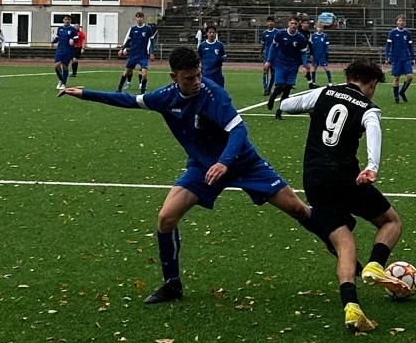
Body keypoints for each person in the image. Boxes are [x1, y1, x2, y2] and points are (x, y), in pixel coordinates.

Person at [60, 45, 318, 305]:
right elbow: (129, 101)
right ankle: (172, 285)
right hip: (203, 167)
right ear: (174, 77)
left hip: (243, 162)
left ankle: (337, 245)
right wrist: (85, 93)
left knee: (298, 209)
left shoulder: (213, 94)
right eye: (189, 78)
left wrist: (224, 162)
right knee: (166, 218)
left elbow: (239, 130)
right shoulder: (165, 97)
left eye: (198, 75)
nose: (196, 82)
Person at [276, 60, 406, 333]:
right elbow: (374, 130)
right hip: (345, 178)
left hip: (314, 180)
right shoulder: (368, 108)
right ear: (372, 84)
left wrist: (313, 110)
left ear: (349, 77)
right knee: (390, 221)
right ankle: (375, 264)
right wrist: (372, 166)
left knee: (344, 244)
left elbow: (286, 105)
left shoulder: (323, 92)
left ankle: (352, 307)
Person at [265, 15, 307, 110]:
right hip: (280, 64)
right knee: (280, 86)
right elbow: (273, 47)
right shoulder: (281, 34)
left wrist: (304, 66)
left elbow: (303, 53)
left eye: (295, 23)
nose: (293, 25)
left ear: (298, 25)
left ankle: (279, 111)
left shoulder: (300, 38)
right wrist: (269, 61)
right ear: (288, 23)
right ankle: (272, 98)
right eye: (292, 23)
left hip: (293, 66)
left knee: (287, 89)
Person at [117, 12, 157, 93]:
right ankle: (119, 89)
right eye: (138, 17)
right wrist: (122, 49)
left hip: (143, 55)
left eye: (141, 17)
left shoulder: (148, 29)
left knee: (144, 74)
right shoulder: (133, 29)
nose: (139, 19)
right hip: (133, 54)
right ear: (135, 19)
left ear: (143, 19)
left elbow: (152, 41)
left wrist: (152, 53)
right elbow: (129, 40)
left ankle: (142, 92)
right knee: (126, 72)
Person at [385, 14, 415, 103]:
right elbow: (388, 46)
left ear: (405, 23)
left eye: (403, 21)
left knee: (410, 76)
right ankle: (396, 97)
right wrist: (387, 56)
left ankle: (402, 91)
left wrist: (413, 57)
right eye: (400, 21)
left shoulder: (408, 33)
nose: (401, 22)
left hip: (406, 58)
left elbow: (410, 46)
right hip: (396, 58)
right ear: (396, 22)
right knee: (396, 78)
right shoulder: (392, 33)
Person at [52, 19, 77, 89]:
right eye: (66, 19)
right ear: (63, 20)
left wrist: (73, 40)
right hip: (60, 50)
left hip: (68, 50)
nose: (67, 21)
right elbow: (57, 37)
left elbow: (76, 39)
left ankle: (63, 83)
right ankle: (61, 79)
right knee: (57, 66)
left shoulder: (73, 29)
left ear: (70, 21)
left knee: (65, 66)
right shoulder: (60, 28)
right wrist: (52, 42)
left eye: (69, 19)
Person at [308, 20, 332, 87]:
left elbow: (326, 46)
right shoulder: (313, 36)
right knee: (314, 68)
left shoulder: (325, 36)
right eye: (318, 27)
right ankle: (313, 82)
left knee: (326, 68)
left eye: (321, 27)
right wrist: (311, 54)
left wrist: (326, 53)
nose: (319, 29)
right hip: (315, 55)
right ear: (316, 28)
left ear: (322, 28)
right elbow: (311, 46)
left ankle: (330, 82)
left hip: (322, 55)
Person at [259, 15, 279, 96]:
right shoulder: (265, 33)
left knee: (273, 73)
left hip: (275, 55)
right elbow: (263, 44)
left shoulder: (277, 32)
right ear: (267, 23)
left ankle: (270, 88)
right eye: (269, 21)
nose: (270, 23)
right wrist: (260, 53)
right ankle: (266, 88)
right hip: (267, 55)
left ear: (274, 23)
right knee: (265, 71)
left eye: (271, 21)